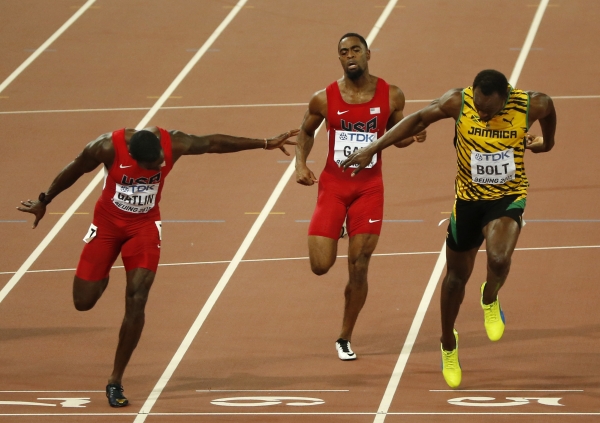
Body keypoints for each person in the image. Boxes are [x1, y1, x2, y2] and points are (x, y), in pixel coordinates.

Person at [17, 126, 298, 407]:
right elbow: (76, 168)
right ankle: (103, 273)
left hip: (144, 227)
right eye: (154, 166)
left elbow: (213, 143)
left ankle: (115, 380)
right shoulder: (106, 147)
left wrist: (264, 143)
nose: (162, 165)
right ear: (135, 158)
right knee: (83, 301)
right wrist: (45, 200)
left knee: (137, 298)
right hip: (107, 225)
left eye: (162, 160)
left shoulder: (173, 143)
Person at [341, 69, 556, 387]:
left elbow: (550, 111)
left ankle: (490, 296)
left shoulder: (531, 105)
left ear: (506, 97)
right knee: (455, 281)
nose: (482, 114)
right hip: (468, 202)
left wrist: (546, 143)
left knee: (498, 259)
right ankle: (448, 343)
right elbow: (417, 120)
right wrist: (374, 147)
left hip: (507, 196)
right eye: (479, 108)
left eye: (489, 110)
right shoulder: (458, 101)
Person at [295, 33, 426, 361]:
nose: (350, 55)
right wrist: (300, 163)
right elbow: (306, 131)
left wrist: (413, 135)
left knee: (359, 265)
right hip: (333, 187)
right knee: (321, 266)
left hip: (369, 189)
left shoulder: (392, 95)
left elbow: (397, 136)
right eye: (343, 52)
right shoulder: (323, 99)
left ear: (368, 53)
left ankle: (344, 336)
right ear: (338, 58)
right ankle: (336, 224)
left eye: (355, 49)